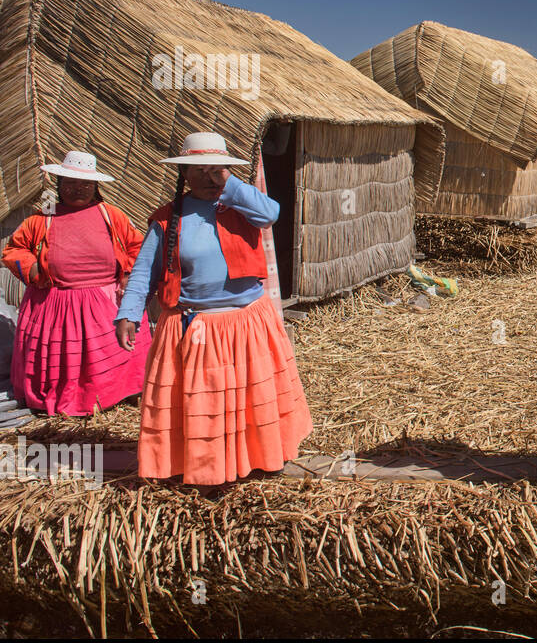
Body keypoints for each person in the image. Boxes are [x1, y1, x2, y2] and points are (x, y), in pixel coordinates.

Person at [114, 133, 311, 485]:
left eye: (215, 171)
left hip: (245, 324)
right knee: (204, 405)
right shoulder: (167, 219)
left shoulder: (240, 208)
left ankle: (260, 457)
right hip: (194, 326)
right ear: (184, 175)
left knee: (252, 398)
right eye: (198, 171)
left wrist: (227, 181)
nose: (208, 179)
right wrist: (129, 313)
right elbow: (144, 270)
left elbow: (272, 213)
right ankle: (202, 467)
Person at [2, 151, 150, 417]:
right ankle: (66, 399)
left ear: (95, 187)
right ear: (59, 184)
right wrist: (34, 270)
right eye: (70, 183)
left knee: (110, 358)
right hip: (55, 304)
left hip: (105, 301)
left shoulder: (111, 215)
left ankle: (114, 397)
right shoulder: (42, 218)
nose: (77, 189)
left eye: (85, 184)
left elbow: (137, 247)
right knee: (64, 361)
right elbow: (13, 251)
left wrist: (127, 275)